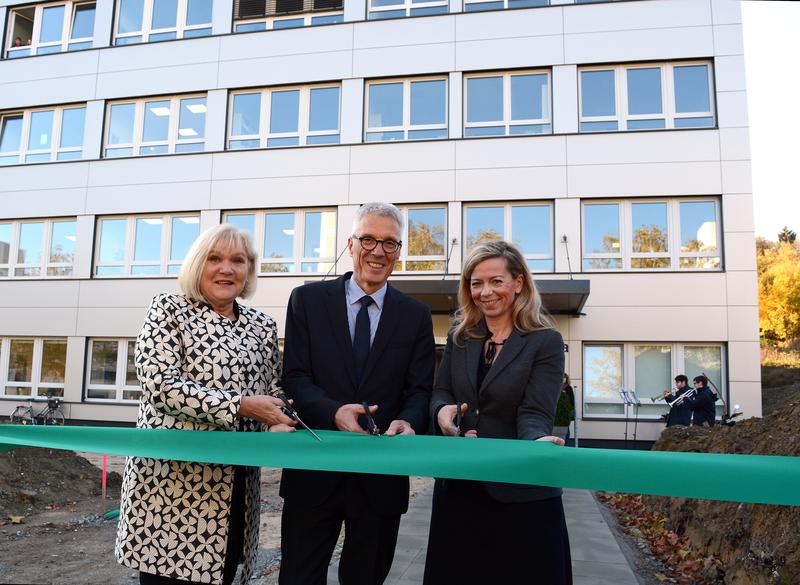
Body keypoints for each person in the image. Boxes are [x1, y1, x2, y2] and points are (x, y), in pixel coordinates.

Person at [115, 224, 297, 585]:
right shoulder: (168, 309)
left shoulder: (262, 326)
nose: (226, 269)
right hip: (169, 495)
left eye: (237, 260)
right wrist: (241, 406)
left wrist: (279, 419)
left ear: (249, 270)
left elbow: (273, 392)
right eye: (215, 258)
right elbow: (160, 384)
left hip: (236, 497)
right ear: (198, 264)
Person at [279, 202, 435, 585]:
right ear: (350, 244)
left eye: (390, 244)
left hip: (381, 477)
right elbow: (294, 378)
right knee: (299, 577)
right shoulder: (306, 301)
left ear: (399, 252)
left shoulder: (416, 315)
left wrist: (409, 420)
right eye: (368, 239)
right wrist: (334, 412)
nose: (378, 252)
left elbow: (420, 392)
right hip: (315, 470)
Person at [423, 240, 572, 585]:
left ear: (518, 283)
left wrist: (536, 441)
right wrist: (443, 413)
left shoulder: (545, 341)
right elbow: (441, 392)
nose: (485, 292)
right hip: (460, 489)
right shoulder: (460, 337)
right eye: (476, 283)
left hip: (519, 492)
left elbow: (534, 412)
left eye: (496, 281)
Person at [560, 373, 576, 442]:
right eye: (562, 377)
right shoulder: (555, 387)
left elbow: (572, 401)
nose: (563, 379)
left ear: (566, 379)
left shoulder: (568, 388)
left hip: (566, 412)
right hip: (557, 413)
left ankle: (565, 443)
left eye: (564, 377)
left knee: (566, 429)